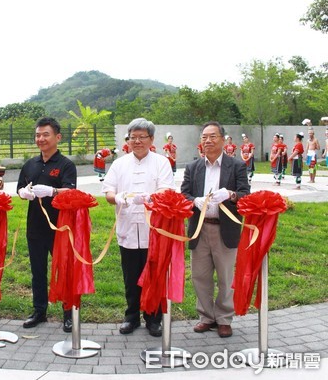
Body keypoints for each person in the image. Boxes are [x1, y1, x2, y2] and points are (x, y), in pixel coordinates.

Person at [102, 118, 174, 337]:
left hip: (154, 229)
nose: (137, 141)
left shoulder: (161, 162)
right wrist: (121, 197)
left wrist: (148, 198)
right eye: (133, 137)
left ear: (151, 139)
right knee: (131, 275)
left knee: (154, 274)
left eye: (142, 137)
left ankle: (153, 318)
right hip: (128, 229)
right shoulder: (119, 164)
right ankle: (131, 315)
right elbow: (109, 194)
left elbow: (166, 191)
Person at [181, 121, 250, 338]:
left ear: (222, 139)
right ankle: (206, 317)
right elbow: (184, 195)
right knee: (200, 276)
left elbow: (245, 194)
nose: (208, 141)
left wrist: (230, 195)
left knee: (225, 277)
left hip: (225, 229)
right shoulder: (193, 167)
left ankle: (223, 318)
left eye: (212, 136)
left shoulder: (236, 165)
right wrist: (195, 201)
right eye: (204, 137)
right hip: (200, 228)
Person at [16, 117, 77, 332]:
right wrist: (23, 193)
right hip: (35, 227)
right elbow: (20, 188)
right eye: (37, 135)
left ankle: (69, 313)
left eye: (45, 134)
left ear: (57, 137)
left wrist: (52, 191)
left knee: (64, 270)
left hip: (60, 227)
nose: (40, 139)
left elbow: (71, 191)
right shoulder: (30, 164)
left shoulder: (66, 165)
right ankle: (39, 311)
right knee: (37, 271)